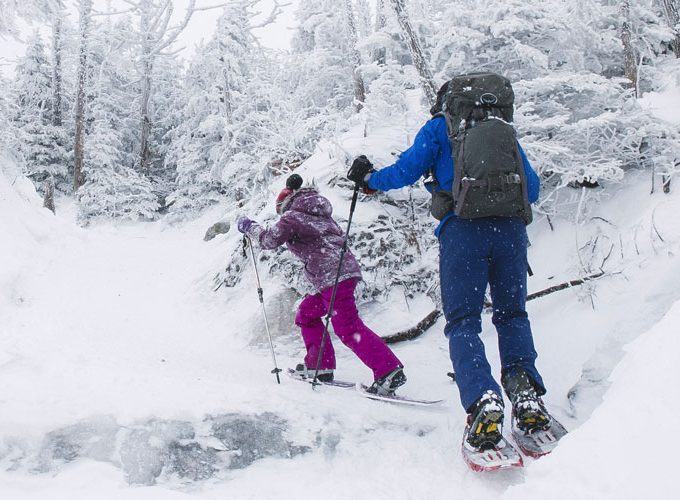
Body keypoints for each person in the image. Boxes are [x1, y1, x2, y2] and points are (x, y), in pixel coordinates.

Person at [347, 76, 554, 451]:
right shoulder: (502, 129)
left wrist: (369, 180)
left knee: (463, 323)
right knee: (512, 315)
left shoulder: (438, 128)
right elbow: (533, 187)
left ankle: (482, 401)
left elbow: (405, 172)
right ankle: (525, 396)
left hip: (463, 233)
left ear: (445, 103)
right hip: (510, 233)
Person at [237, 174, 406, 395]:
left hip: (332, 276)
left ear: (284, 204)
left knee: (347, 327)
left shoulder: (293, 217)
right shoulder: (320, 214)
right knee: (306, 312)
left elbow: (268, 240)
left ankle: (388, 371)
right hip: (341, 274)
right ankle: (320, 365)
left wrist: (250, 227)